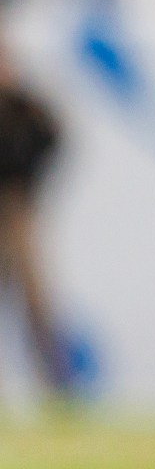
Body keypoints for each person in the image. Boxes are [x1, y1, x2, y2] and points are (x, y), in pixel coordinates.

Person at [0, 72, 67, 399]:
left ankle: (55, 381)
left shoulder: (25, 110)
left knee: (34, 298)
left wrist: (26, 197)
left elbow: (52, 140)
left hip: (15, 218)